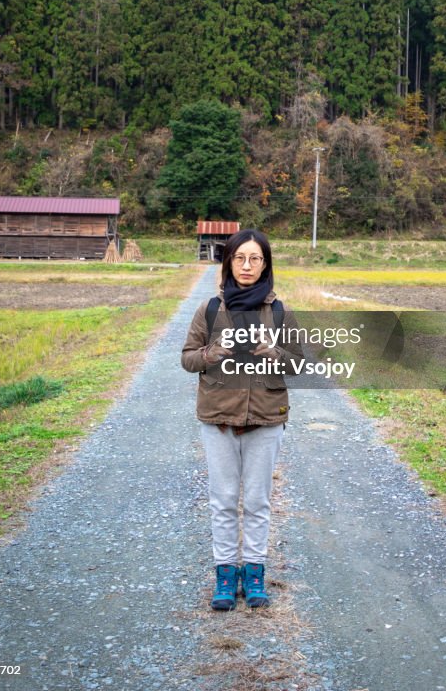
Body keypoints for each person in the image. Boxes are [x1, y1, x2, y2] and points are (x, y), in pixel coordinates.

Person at [181, 228, 304, 611]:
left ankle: (254, 574)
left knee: (256, 501)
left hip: (266, 418)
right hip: (218, 417)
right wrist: (214, 352)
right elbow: (187, 358)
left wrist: (273, 352)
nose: (247, 266)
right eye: (239, 258)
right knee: (223, 500)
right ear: (228, 262)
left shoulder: (280, 311)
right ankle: (224, 575)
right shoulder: (210, 310)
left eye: (255, 259)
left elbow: (299, 364)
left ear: (265, 264)